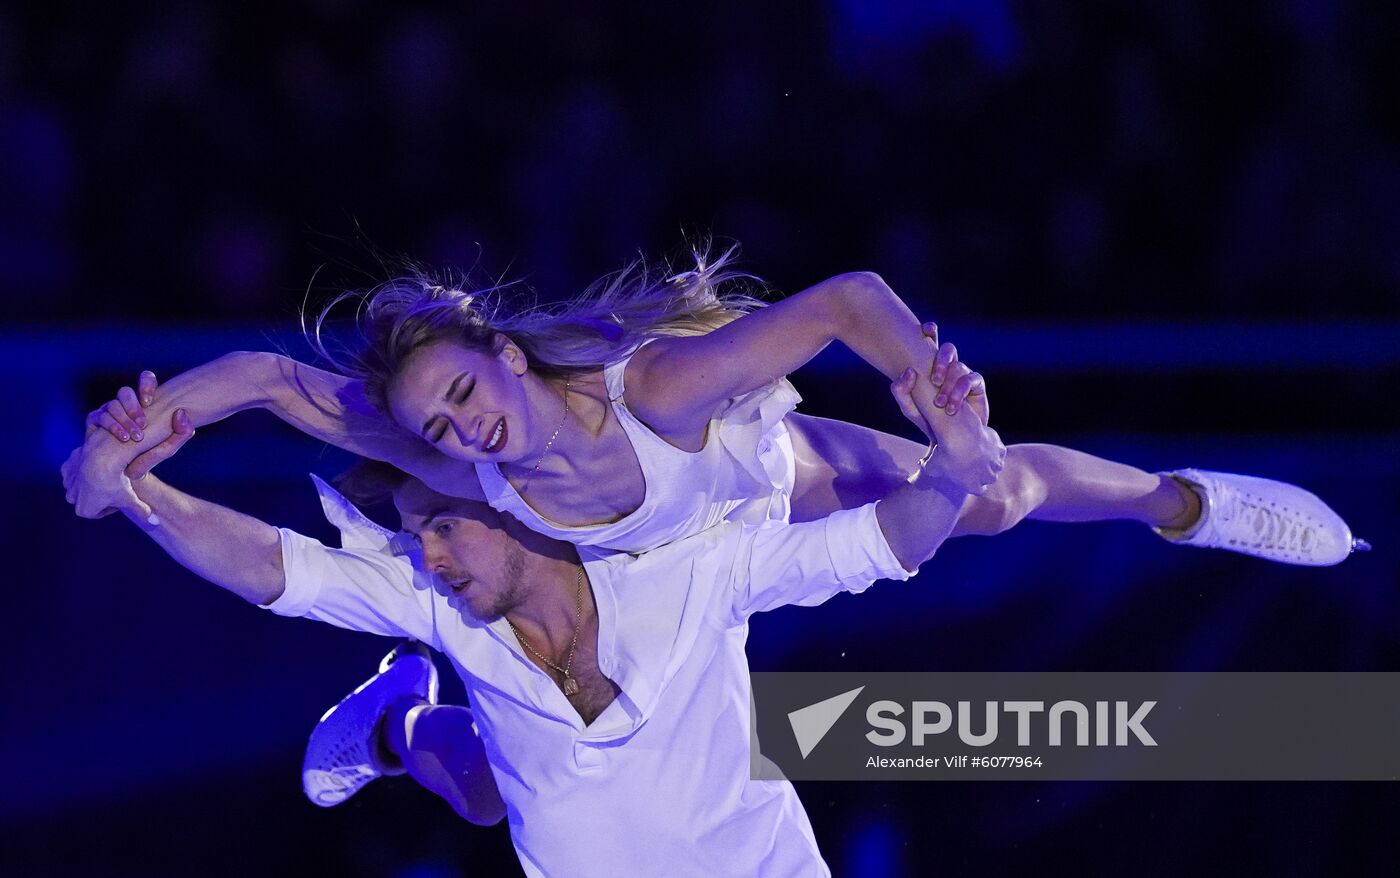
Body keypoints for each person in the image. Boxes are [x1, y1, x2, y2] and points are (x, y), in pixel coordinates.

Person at [77, 360, 1001, 877]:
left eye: (440, 525)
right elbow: (270, 565)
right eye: (413, 536)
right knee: (495, 791)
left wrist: (956, 474)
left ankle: (403, 725)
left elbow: (882, 544)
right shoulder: (434, 594)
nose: (428, 557)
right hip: (538, 795)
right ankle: (403, 718)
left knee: (488, 792)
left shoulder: (683, 561)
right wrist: (127, 487)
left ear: (505, 503)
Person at [66, 247, 1361, 565]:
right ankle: (412, 725)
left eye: (465, 393)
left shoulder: (661, 385)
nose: (464, 430)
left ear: (508, 356)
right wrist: (122, 441)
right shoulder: (435, 444)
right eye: (441, 423)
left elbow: (851, 294)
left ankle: (1184, 500)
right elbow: (250, 379)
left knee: (995, 496)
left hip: (759, 484)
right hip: (639, 587)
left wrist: (925, 377)